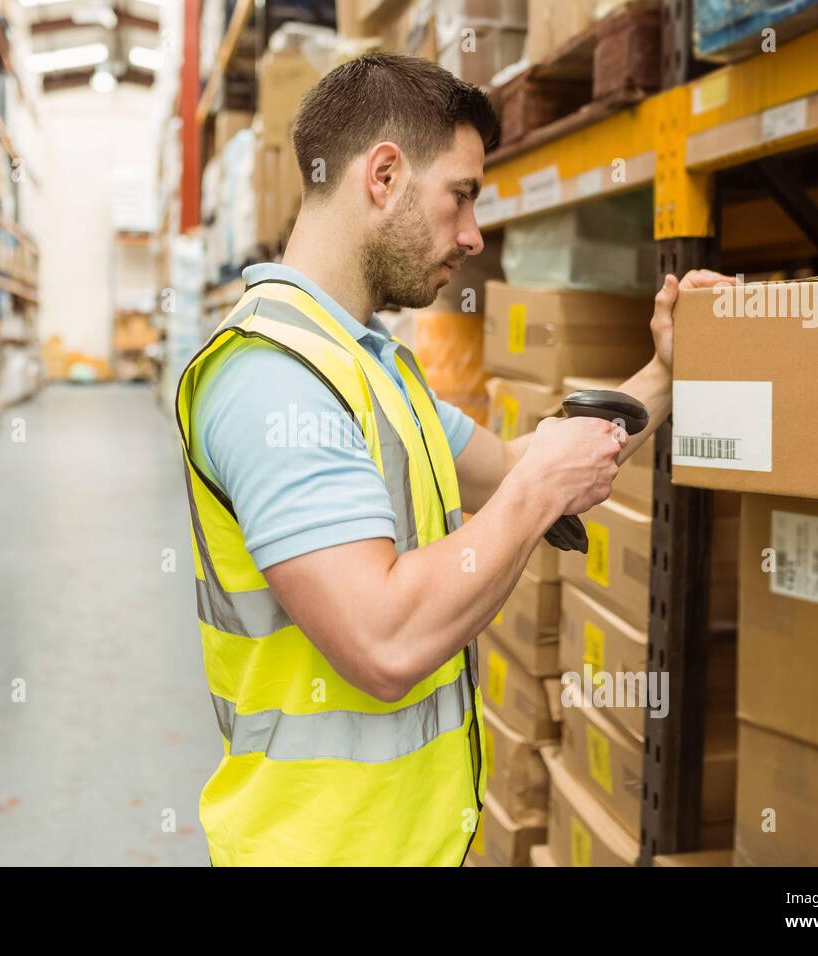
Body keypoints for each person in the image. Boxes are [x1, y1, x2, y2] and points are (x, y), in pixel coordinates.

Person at [174, 52, 733, 866]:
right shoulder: (273, 381)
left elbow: (516, 463)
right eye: (461, 196)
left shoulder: (370, 366)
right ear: (385, 175)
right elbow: (384, 643)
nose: (472, 235)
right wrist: (538, 490)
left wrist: (663, 373)